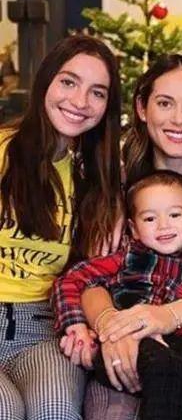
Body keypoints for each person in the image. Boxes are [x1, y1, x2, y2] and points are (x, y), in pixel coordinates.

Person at [69, 54, 182, 420]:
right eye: (165, 103)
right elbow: (90, 280)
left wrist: (164, 317)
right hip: (124, 347)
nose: (179, 120)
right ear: (142, 108)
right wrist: (112, 327)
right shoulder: (115, 188)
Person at [53, 170, 182, 420]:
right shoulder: (125, 258)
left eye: (175, 215)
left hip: (180, 344)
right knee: (166, 365)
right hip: (129, 344)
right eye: (149, 218)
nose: (163, 225)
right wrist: (75, 325)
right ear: (134, 229)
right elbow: (71, 279)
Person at [0, 35, 122, 419]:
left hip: (43, 330)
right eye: (69, 82)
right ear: (46, 82)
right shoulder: (3, 151)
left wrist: (81, 323)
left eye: (97, 92)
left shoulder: (95, 180)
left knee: (55, 410)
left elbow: (88, 274)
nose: (80, 101)